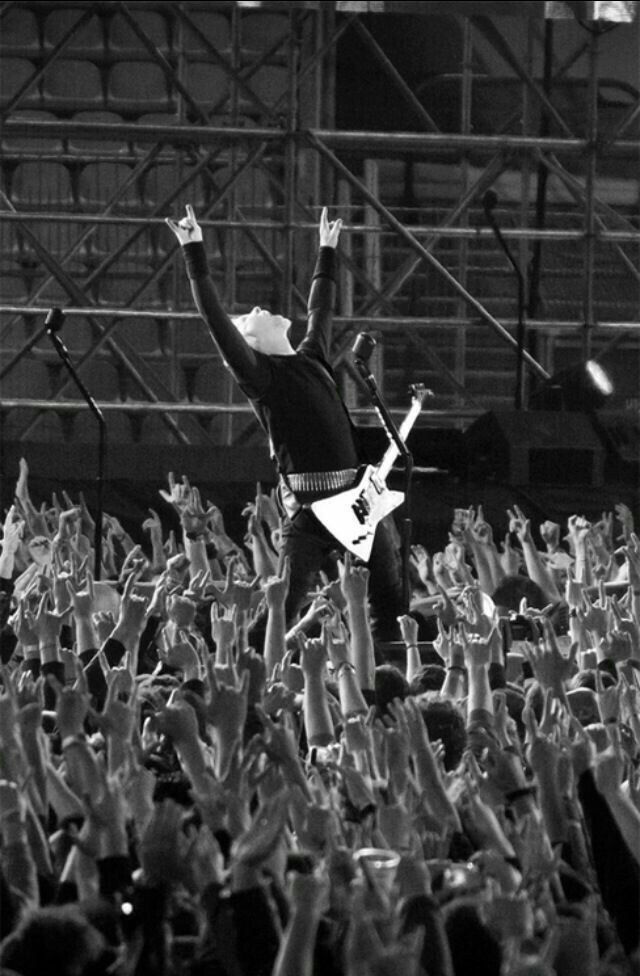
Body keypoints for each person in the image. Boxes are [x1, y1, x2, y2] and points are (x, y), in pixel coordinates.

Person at [166, 205, 404, 642]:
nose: (257, 307)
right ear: (249, 342)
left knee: (391, 590)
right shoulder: (263, 377)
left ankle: (389, 666)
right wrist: (194, 250)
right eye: (249, 316)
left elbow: (320, 310)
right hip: (311, 513)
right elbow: (216, 321)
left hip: (356, 497)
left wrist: (327, 250)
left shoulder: (311, 356)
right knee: (285, 603)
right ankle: (248, 661)